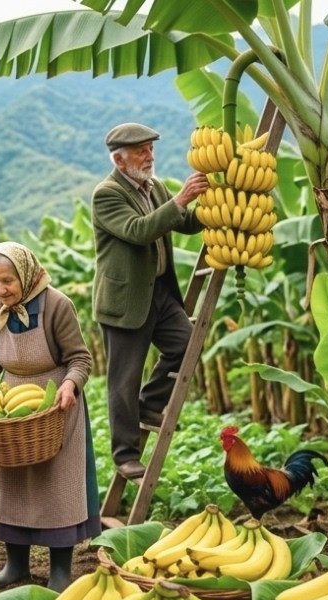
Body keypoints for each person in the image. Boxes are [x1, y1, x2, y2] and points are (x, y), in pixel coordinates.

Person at [0, 242, 97, 591]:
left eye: (8, 281)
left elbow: (81, 358)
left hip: (54, 404)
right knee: (9, 484)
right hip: (10, 402)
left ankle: (60, 571)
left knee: (57, 487)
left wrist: (69, 386)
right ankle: (16, 564)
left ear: (26, 273)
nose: (1, 290)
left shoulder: (57, 305)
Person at [92, 122, 208, 480]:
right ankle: (125, 455)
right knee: (123, 380)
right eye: (142, 151)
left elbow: (184, 223)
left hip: (159, 291)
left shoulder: (153, 186)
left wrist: (218, 202)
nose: (149, 156)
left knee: (186, 346)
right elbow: (139, 230)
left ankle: (151, 404)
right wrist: (182, 198)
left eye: (150, 149)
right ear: (119, 158)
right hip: (126, 300)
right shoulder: (106, 194)